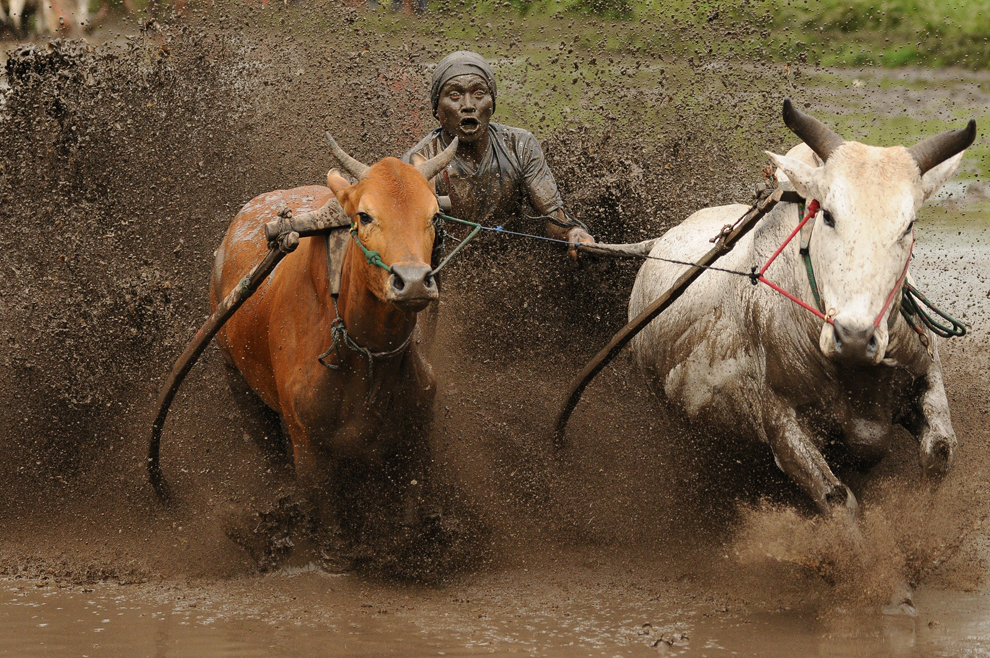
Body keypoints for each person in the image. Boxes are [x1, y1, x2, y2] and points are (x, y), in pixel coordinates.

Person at [404, 50, 596, 259]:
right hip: (450, 265)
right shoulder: (419, 162)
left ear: (492, 104)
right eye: (454, 95)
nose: (468, 106)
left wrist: (572, 232)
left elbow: (553, 218)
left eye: (479, 94)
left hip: (513, 260)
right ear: (437, 110)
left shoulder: (520, 146)